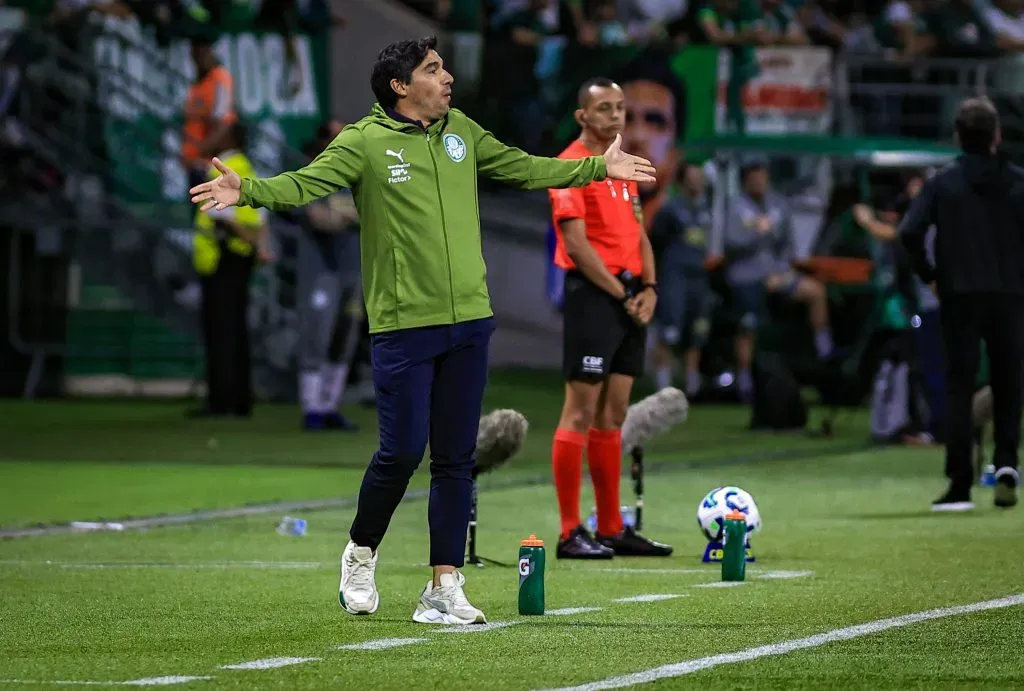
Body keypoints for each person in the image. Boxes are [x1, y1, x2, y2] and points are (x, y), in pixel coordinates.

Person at [189, 36, 655, 624]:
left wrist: (596, 165)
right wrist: (247, 190)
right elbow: (306, 184)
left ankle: (444, 587)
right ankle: (360, 553)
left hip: (470, 321)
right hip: (404, 326)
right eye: (434, 69)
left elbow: (524, 167)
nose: (448, 77)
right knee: (402, 450)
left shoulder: (460, 129)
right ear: (401, 87)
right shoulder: (363, 141)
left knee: (456, 459)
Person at [548, 77, 672, 560]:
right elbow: (577, 245)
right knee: (580, 409)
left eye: (620, 108)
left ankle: (613, 526)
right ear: (582, 115)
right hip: (595, 296)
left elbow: (639, 233)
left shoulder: (622, 165)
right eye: (604, 108)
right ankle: (568, 531)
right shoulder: (568, 166)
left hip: (629, 295)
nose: (616, 116)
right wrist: (624, 292)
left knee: (615, 412)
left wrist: (651, 288)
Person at [900, 96, 1024, 511]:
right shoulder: (1018, 181)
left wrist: (930, 274)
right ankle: (1007, 464)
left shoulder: (943, 182)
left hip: (959, 292)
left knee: (960, 385)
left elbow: (909, 232)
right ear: (997, 135)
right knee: (1009, 381)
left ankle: (959, 485)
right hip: (1010, 293)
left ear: (958, 135)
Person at [724, 160, 833, 402]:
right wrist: (755, 232)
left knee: (814, 291)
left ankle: (824, 346)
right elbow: (730, 243)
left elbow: (787, 245)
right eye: (754, 179)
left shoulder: (778, 205)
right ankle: (745, 380)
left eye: (762, 177)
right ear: (746, 181)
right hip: (746, 276)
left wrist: (782, 271)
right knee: (748, 326)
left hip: (776, 275)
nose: (759, 182)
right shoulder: (736, 207)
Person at [190, 122, 273, 419]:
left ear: (231, 137)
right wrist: (259, 246)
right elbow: (260, 214)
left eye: (219, 131)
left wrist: (249, 241)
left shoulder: (222, 168)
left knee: (220, 331)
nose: (210, 134)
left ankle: (221, 401)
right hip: (241, 259)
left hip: (223, 258)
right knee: (236, 330)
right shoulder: (246, 166)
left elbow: (219, 216)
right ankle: (240, 400)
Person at [296, 120, 361, 432]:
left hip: (353, 271)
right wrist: (352, 216)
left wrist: (346, 215)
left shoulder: (355, 177)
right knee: (317, 336)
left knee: (344, 338)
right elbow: (319, 219)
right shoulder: (312, 177)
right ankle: (311, 408)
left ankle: (329, 405)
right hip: (320, 273)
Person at [649, 162, 713, 397]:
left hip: (699, 277)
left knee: (696, 331)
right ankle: (663, 384)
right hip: (674, 276)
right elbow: (656, 242)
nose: (697, 182)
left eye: (700, 177)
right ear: (682, 181)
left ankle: (692, 384)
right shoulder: (670, 210)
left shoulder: (708, 210)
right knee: (669, 330)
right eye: (692, 177)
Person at [182, 37, 236, 196]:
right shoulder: (198, 83)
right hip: (194, 163)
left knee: (212, 215)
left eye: (201, 54)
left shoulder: (220, 77)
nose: (198, 59)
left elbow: (223, 123)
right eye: (195, 55)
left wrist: (203, 149)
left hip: (208, 165)